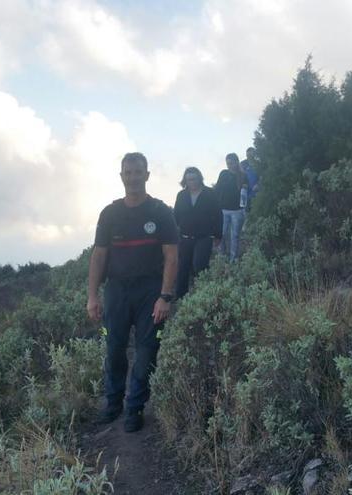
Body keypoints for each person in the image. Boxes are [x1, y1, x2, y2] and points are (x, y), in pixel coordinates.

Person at [87, 152, 178, 433]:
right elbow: (98, 257)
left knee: (147, 351)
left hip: (150, 291)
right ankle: (113, 403)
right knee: (114, 349)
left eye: (138, 172)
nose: (133, 177)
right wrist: (92, 296)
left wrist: (165, 297)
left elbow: (172, 257)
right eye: (128, 172)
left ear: (147, 175)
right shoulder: (110, 213)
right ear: (121, 176)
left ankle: (135, 407)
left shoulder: (161, 212)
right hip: (116, 290)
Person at [173, 167, 222, 299]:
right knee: (183, 268)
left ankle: (203, 295)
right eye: (189, 180)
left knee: (200, 266)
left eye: (194, 179)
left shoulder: (210, 193)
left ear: (199, 179)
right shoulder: (181, 195)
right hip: (185, 237)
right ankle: (180, 298)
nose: (192, 182)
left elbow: (218, 214)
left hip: (204, 237)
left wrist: (218, 235)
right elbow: (175, 215)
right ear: (185, 181)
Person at [215, 153, 248, 261]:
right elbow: (217, 189)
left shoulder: (243, 176)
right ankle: (222, 256)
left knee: (234, 236)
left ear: (236, 162)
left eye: (231, 163)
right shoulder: (223, 174)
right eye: (227, 163)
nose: (229, 165)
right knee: (222, 234)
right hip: (223, 210)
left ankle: (233, 259)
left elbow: (245, 193)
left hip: (237, 211)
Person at [239, 147, 259, 212]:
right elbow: (238, 176)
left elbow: (262, 176)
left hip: (256, 192)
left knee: (256, 211)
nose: (249, 157)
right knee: (245, 212)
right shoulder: (242, 164)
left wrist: (258, 184)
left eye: (251, 155)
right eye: (248, 155)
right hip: (245, 193)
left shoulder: (258, 164)